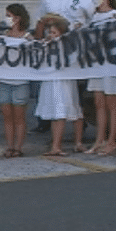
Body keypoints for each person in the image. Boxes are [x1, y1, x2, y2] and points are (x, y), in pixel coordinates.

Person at [31, 0, 95, 133]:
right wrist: (39, 40)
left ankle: (79, 123)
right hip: (51, 49)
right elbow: (39, 20)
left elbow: (92, 22)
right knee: (49, 83)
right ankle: (45, 120)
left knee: (75, 87)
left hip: (75, 49)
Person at [35, 15, 85, 156]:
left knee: (64, 112)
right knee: (56, 113)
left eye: (54, 33)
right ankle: (59, 145)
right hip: (52, 80)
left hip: (63, 81)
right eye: (49, 32)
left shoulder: (68, 45)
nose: (50, 35)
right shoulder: (47, 44)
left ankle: (68, 144)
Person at [85, 0, 116, 156]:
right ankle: (99, 140)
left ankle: (112, 141)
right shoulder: (92, 18)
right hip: (97, 64)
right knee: (99, 103)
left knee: (111, 103)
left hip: (113, 65)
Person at [0, 3, 32, 158]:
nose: (6, 19)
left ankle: (18, 147)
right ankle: (9, 145)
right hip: (3, 80)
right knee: (7, 117)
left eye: (9, 15)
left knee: (19, 116)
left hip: (20, 82)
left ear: (18, 18)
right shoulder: (4, 35)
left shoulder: (27, 38)